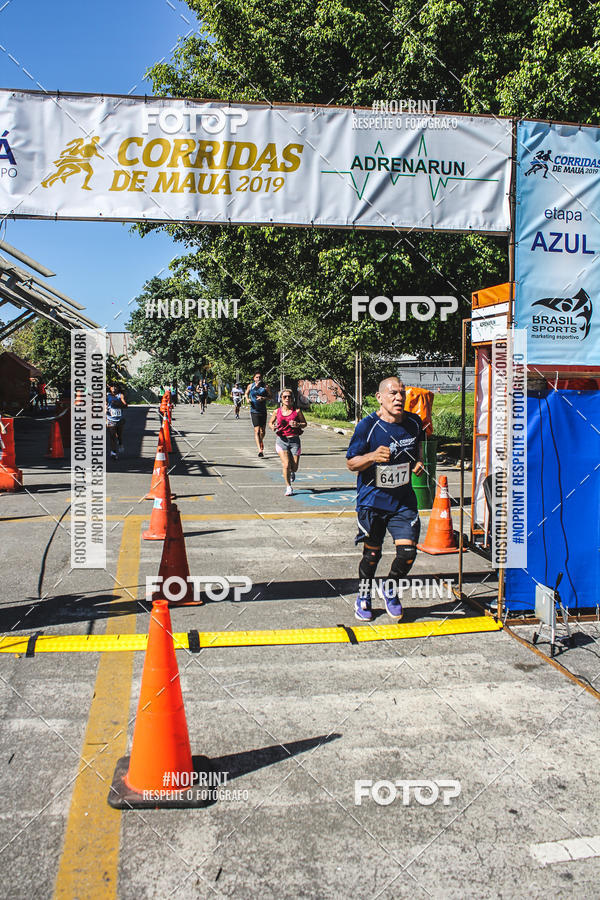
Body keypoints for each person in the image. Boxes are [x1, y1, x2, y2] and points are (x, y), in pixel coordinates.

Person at [346, 377, 424, 622]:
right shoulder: (367, 426)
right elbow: (351, 463)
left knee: (407, 553)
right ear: (380, 397)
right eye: (393, 393)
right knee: (372, 555)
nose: (399, 398)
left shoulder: (414, 422)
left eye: (402, 393)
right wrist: (371, 457)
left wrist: (419, 463)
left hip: (403, 501)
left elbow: (418, 447)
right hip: (373, 501)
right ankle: (364, 596)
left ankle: (390, 588)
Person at [269, 389, 307, 495]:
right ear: (281, 399)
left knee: (294, 467)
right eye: (284, 397)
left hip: (294, 441)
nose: (287, 398)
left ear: (292, 399)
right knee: (286, 465)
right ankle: (288, 487)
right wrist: (273, 427)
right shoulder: (277, 411)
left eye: (289, 396)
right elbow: (270, 423)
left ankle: (292, 472)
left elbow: (304, 424)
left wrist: (298, 424)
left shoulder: (297, 411)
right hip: (282, 441)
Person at [245, 372, 271, 457]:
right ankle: (260, 450)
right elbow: (246, 393)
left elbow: (270, 396)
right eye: (257, 377)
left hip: (262, 411)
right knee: (257, 431)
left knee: (262, 431)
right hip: (254, 410)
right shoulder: (250, 386)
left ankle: (261, 440)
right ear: (254, 378)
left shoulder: (265, 386)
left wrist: (263, 398)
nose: (258, 379)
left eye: (260, 377)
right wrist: (247, 399)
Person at [106, 382, 127, 459]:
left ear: (118, 388)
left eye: (115, 387)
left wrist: (118, 404)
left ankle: (120, 443)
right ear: (110, 388)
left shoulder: (120, 395)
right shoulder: (107, 395)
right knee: (112, 436)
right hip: (110, 419)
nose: (114, 388)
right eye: (112, 387)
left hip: (119, 419)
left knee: (119, 435)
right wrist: (105, 408)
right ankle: (113, 452)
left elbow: (125, 405)